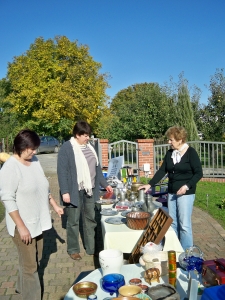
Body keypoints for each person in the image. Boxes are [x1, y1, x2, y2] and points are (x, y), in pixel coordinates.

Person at [0, 129, 64, 300]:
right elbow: (7, 199)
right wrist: (21, 227)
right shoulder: (10, 167)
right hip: (23, 225)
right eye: (32, 149)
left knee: (34, 259)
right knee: (31, 267)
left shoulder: (34, 161)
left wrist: (55, 206)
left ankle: (21, 287)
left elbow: (43, 186)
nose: (35, 152)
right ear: (21, 146)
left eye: (36, 148)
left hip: (39, 221)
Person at [140, 126, 203, 250]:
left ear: (180, 140)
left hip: (186, 193)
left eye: (171, 140)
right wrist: (150, 184)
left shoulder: (191, 153)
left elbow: (199, 173)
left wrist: (186, 186)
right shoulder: (170, 153)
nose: (169, 142)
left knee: (184, 225)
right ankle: (173, 250)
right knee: (172, 223)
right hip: (172, 193)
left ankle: (186, 253)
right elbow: (162, 170)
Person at [57, 121, 113, 260]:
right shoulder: (67, 148)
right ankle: (73, 249)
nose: (87, 137)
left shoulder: (91, 147)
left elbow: (97, 168)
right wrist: (65, 191)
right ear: (77, 135)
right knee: (73, 221)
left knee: (91, 219)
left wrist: (105, 184)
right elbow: (62, 171)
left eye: (88, 135)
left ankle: (91, 247)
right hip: (73, 190)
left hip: (90, 189)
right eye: (85, 135)